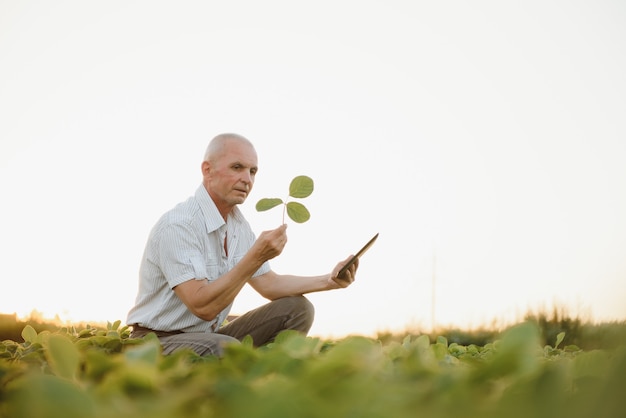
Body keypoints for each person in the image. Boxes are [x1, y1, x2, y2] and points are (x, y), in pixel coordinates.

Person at [126, 133, 358, 356]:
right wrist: (256, 256)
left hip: (209, 335)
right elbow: (202, 307)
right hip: (156, 341)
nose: (247, 179)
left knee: (298, 309)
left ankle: (270, 381)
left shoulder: (238, 225)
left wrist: (329, 281)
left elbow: (269, 284)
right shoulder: (179, 225)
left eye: (253, 171)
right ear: (208, 170)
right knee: (224, 346)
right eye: (237, 168)